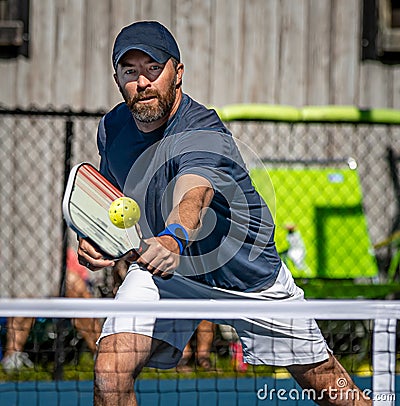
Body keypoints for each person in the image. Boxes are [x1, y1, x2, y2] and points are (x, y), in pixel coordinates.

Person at [77, 21, 371, 406]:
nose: (142, 81)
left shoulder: (203, 129)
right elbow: (111, 199)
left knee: (329, 388)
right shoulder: (112, 128)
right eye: (130, 71)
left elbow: (193, 194)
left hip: (246, 276)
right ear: (117, 78)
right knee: (109, 374)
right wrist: (98, 239)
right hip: (168, 275)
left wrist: (174, 236)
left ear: (177, 73)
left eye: (153, 68)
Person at [1, 248, 102, 373]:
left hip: (66, 293)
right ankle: (12, 358)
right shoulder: (28, 257)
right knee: (27, 293)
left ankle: (100, 354)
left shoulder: (68, 251)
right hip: (36, 289)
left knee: (74, 285)